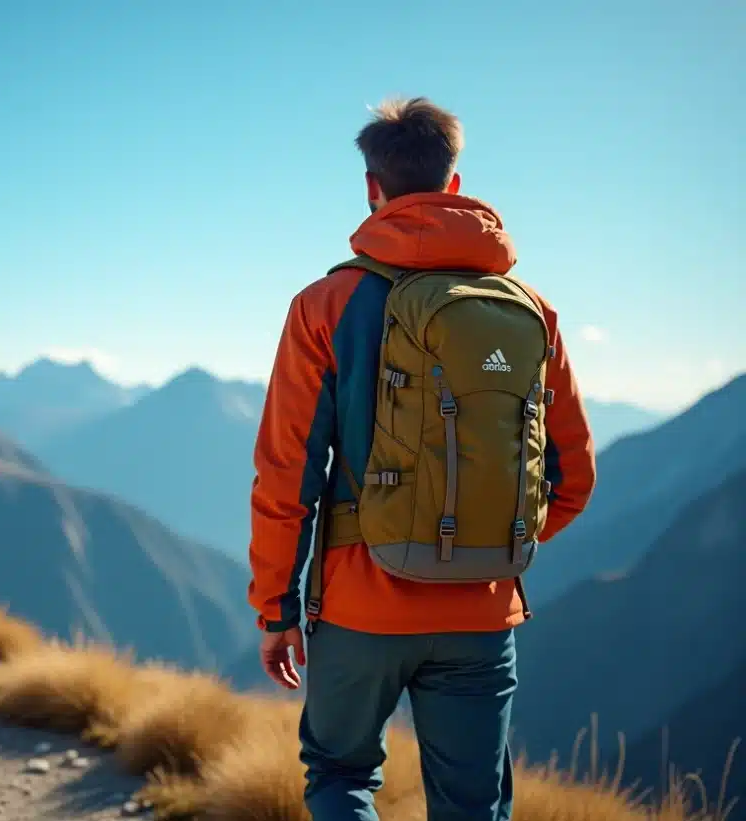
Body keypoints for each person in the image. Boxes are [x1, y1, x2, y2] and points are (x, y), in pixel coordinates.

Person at [246, 97, 597, 821]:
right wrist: (489, 542)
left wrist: (276, 607)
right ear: (456, 187)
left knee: (342, 775)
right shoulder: (528, 308)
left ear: (373, 188)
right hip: (482, 607)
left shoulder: (327, 303)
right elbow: (573, 476)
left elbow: (289, 473)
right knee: (473, 805)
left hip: (358, 601)